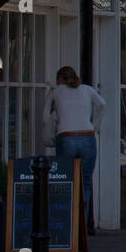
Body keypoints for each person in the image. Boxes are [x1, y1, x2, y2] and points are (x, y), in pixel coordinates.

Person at [45, 65, 105, 236]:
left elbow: (44, 117)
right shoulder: (87, 90)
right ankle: (81, 229)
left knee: (63, 183)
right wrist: (95, 126)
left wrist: (52, 127)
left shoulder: (56, 91)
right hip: (87, 137)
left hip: (66, 136)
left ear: (60, 79)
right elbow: (102, 103)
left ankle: (64, 226)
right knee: (84, 184)